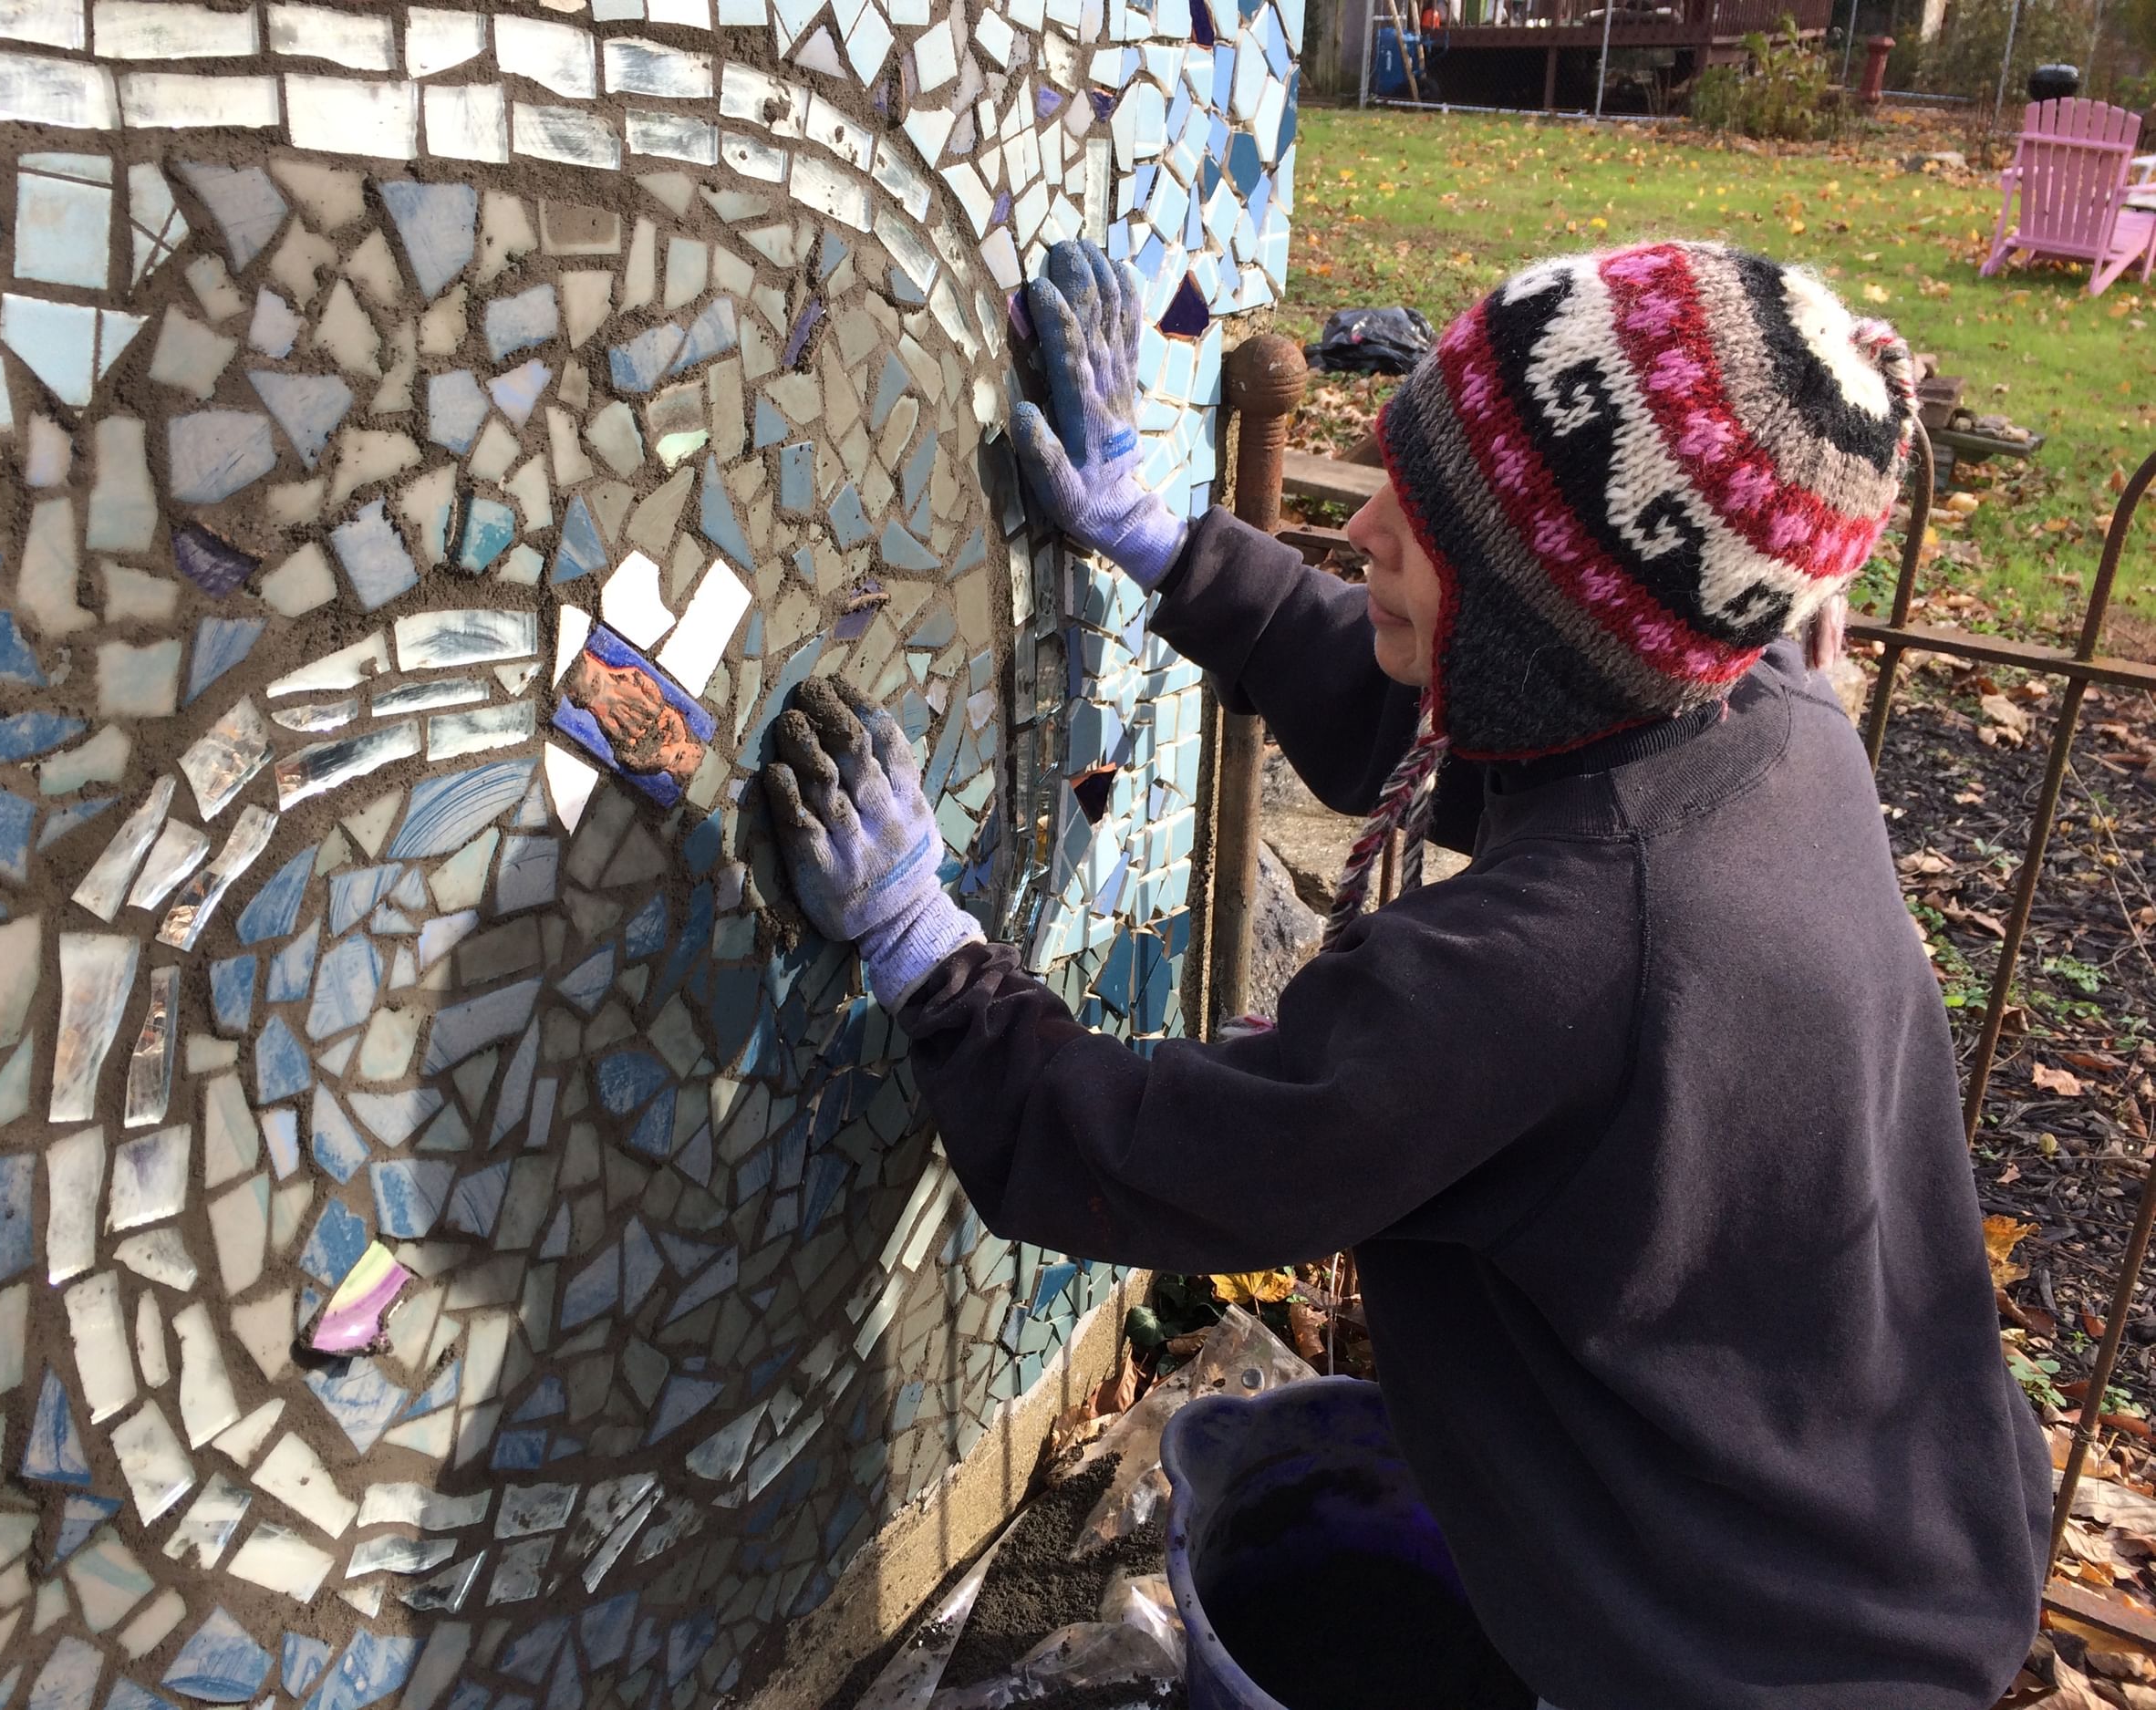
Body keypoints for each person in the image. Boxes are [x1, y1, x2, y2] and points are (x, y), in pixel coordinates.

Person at [760, 239, 2049, 1709]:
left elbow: (1169, 1159)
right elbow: (1456, 726)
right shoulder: (1757, 723)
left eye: (1420, 513)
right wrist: (1162, 543)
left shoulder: (1541, 967)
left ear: (1537, 610)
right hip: (1901, 1525)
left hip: (1732, 1651)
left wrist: (926, 952)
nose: (1361, 522)